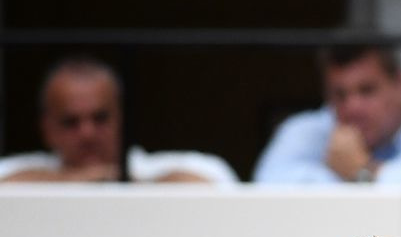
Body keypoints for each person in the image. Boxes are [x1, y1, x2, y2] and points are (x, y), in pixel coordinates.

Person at [254, 42, 401, 185]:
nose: (352, 107)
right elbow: (262, 197)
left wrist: (366, 172)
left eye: (367, 90)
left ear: (400, 85)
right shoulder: (300, 132)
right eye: (340, 95)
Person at [0, 57, 235, 185]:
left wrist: (121, 182)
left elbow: (217, 184)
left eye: (100, 118)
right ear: (47, 129)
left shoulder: (164, 167)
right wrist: (75, 181)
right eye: (70, 122)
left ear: (122, 119)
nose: (87, 133)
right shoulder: (16, 171)